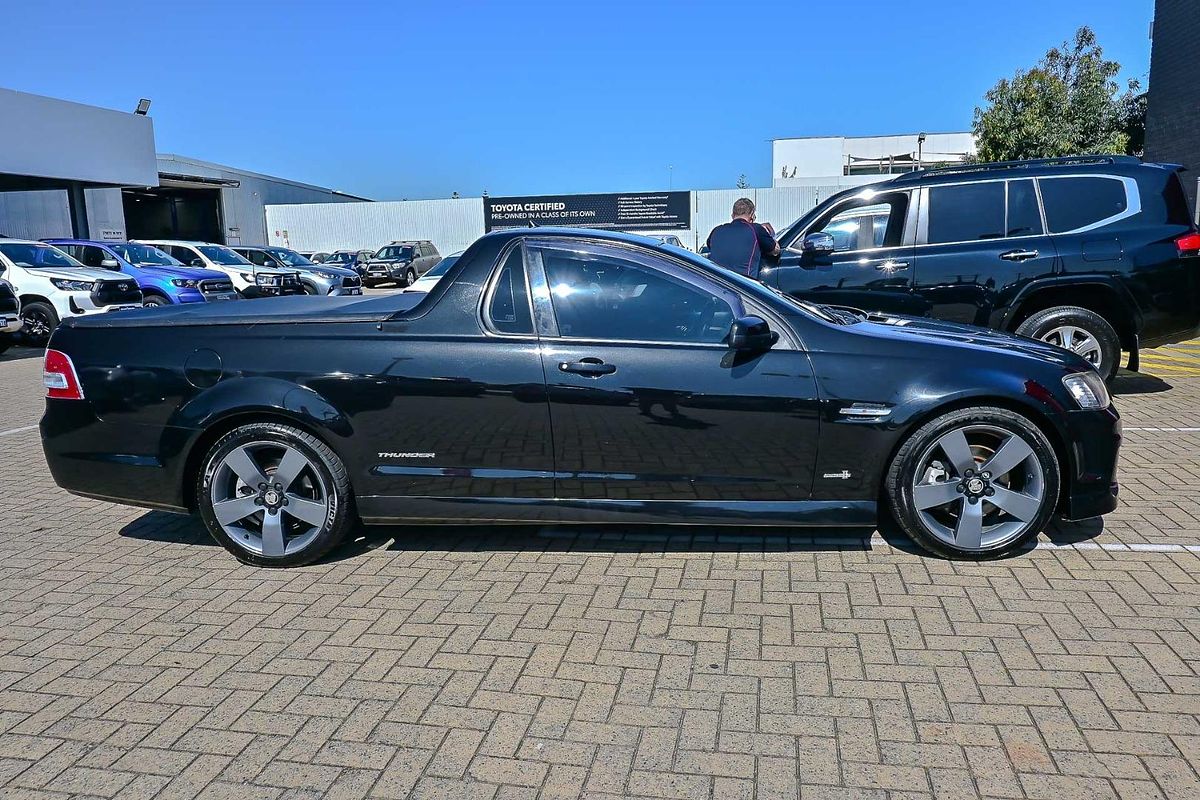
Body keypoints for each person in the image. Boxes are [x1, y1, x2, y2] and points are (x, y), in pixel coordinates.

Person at [705, 197, 780, 280]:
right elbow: (775, 251)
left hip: (715, 285)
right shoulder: (756, 230)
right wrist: (771, 235)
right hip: (742, 286)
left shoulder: (716, 231)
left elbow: (710, 247)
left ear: (732, 215)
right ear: (752, 215)